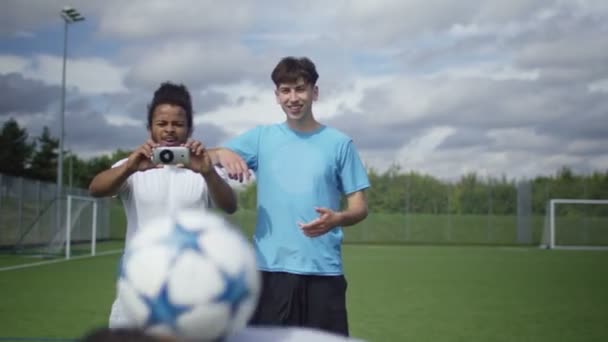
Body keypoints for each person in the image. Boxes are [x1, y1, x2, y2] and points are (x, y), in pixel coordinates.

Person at [209, 56, 370, 336]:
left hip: (324, 273)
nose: (293, 98)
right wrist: (222, 152)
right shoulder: (261, 138)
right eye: (285, 90)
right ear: (277, 96)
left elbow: (360, 207)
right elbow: (207, 157)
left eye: (300, 89)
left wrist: (338, 218)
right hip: (270, 273)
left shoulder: (340, 144)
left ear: (314, 92)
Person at [88, 82, 237, 328]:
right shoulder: (132, 165)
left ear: (189, 129)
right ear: (150, 127)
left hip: (191, 283)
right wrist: (129, 168)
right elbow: (95, 189)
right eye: (162, 124)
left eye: (178, 124)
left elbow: (229, 205)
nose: (170, 130)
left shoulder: (203, 168)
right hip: (140, 282)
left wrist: (208, 172)